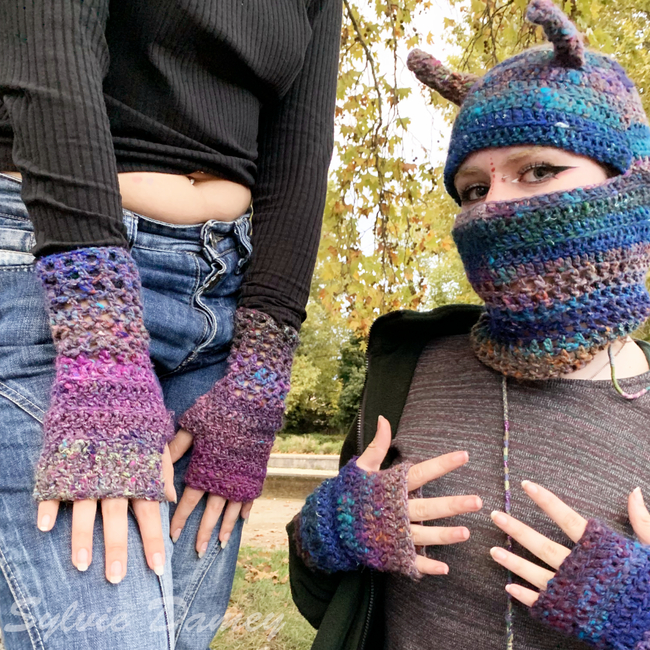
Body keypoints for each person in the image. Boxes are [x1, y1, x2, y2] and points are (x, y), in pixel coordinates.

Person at [286, 1, 650, 649]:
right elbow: (327, 602)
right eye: (474, 188)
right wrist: (327, 534)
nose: (494, 206)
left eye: (539, 170)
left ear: (630, 185)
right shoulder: (407, 371)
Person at [0, 0, 342, 648]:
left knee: (183, 637)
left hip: (225, 308)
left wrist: (261, 374)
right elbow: (48, 45)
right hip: (59, 272)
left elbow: (301, 147)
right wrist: (101, 336)